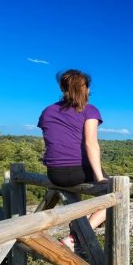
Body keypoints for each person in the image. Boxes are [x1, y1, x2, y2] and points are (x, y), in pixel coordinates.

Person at [37, 69, 107, 251]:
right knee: (114, 198)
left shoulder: (47, 111)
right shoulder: (89, 110)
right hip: (77, 171)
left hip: (55, 174)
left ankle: (77, 232)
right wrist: (100, 178)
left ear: (62, 88)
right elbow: (91, 144)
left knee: (75, 203)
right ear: (86, 89)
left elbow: (53, 140)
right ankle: (75, 239)